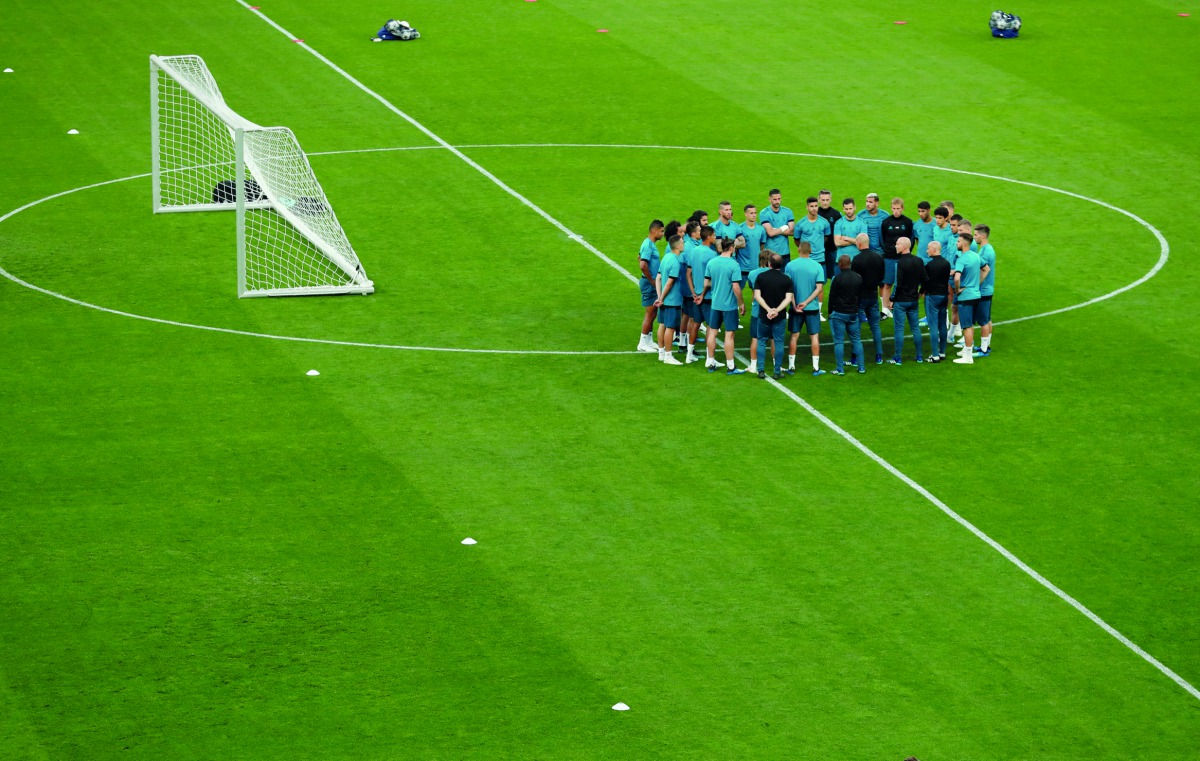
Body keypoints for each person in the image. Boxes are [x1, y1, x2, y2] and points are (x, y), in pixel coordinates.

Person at [701, 238, 747, 375]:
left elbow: (705, 284)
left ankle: (710, 361)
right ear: (732, 248)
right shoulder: (734, 265)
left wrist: (718, 283)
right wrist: (741, 303)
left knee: (712, 333)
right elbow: (736, 287)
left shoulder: (712, 262)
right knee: (729, 335)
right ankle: (731, 366)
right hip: (729, 306)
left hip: (715, 304)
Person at [784, 242, 827, 376]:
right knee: (814, 337)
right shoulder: (817, 266)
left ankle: (791, 367)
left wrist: (796, 303)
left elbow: (788, 287)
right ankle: (815, 368)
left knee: (794, 336)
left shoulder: (790, 266)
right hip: (812, 308)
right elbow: (819, 288)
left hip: (795, 308)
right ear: (811, 250)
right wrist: (807, 302)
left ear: (798, 249)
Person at [753, 254, 795, 379]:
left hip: (763, 315)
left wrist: (768, 310)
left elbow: (757, 296)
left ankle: (760, 369)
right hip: (780, 316)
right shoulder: (786, 279)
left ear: (769, 264)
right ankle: (777, 371)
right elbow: (788, 298)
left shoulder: (761, 277)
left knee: (761, 341)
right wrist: (776, 310)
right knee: (778, 342)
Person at [889, 237, 927, 364]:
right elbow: (925, 280)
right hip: (913, 300)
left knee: (899, 329)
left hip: (901, 301)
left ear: (904, 247)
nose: (895, 246)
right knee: (915, 328)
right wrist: (920, 292)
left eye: (898, 244)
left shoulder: (900, 263)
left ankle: (898, 357)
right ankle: (920, 356)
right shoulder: (919, 260)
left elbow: (898, 284)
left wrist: (892, 299)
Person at [827, 254, 866, 375]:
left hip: (839, 314)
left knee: (839, 341)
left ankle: (840, 369)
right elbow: (860, 296)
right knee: (856, 340)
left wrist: (829, 311)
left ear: (839, 264)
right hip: (853, 313)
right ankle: (861, 367)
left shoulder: (837, 279)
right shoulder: (858, 277)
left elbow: (832, 296)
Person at [850, 233, 885, 365]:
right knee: (875, 326)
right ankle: (879, 356)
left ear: (859, 242)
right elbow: (882, 277)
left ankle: (854, 357)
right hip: (873, 295)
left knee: (856, 328)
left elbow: (854, 280)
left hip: (860, 297)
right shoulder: (878, 257)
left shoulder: (857, 259)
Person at [793, 197, 830, 317]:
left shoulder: (824, 222)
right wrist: (805, 251)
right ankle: (800, 306)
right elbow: (797, 240)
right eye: (811, 206)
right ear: (807, 207)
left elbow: (826, 237)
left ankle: (818, 311)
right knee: (803, 284)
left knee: (820, 286)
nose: (814, 209)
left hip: (820, 259)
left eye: (815, 206)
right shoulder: (801, 224)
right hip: (806, 259)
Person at [686, 226, 718, 363]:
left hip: (696, 295)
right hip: (708, 297)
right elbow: (710, 279)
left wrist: (694, 293)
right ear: (709, 237)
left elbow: (688, 273)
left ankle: (689, 355)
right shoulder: (712, 255)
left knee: (695, 324)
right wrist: (702, 295)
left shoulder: (693, 252)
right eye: (714, 236)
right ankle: (709, 358)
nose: (716, 238)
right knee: (712, 327)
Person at [952, 232, 985, 365]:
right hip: (976, 294)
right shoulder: (976, 256)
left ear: (964, 244)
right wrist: (978, 283)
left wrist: (957, 289)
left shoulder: (962, 258)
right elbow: (986, 268)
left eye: (958, 241)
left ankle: (968, 357)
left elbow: (957, 278)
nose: (957, 243)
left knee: (966, 327)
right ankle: (966, 351)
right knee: (970, 325)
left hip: (965, 297)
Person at [880, 197, 914, 319]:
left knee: (902, 284)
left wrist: (906, 253)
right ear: (891, 208)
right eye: (894, 209)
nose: (896, 211)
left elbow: (911, 239)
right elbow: (882, 239)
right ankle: (885, 310)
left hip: (902, 259)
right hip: (889, 257)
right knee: (887, 284)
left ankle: (897, 307)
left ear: (902, 208)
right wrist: (889, 250)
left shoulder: (908, 222)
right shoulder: (886, 222)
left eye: (898, 209)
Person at [654, 234, 685, 365]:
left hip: (663, 300)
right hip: (672, 300)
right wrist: (662, 298)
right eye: (682, 242)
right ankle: (668, 355)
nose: (684, 244)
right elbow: (669, 283)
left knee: (662, 325)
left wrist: (659, 297)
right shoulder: (675, 262)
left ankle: (661, 353)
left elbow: (658, 278)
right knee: (670, 327)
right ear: (677, 246)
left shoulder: (666, 257)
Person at [637, 220, 665, 353]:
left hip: (650, 282)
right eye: (661, 231)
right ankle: (642, 343)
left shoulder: (647, 243)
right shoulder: (648, 245)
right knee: (649, 313)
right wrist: (652, 280)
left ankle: (648, 340)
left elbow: (639, 257)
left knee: (653, 312)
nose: (662, 234)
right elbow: (642, 264)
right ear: (654, 231)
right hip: (649, 283)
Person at [922, 240, 952, 362]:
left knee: (933, 326)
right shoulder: (947, 263)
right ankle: (942, 352)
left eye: (928, 248)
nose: (927, 251)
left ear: (934, 250)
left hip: (932, 296)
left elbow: (925, 282)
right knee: (942, 325)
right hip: (943, 296)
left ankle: (935, 356)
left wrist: (920, 292)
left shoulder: (929, 265)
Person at [746, 251, 771, 373]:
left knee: (755, 338)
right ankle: (777, 365)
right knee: (774, 339)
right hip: (773, 311)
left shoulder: (752, 274)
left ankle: (753, 365)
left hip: (757, 311)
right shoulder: (776, 274)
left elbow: (753, 291)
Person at [974, 224, 996, 356]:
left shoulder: (985, 252)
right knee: (987, 319)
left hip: (983, 290)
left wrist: (976, 285)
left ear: (982, 236)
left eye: (976, 234)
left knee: (982, 320)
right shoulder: (987, 249)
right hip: (988, 289)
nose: (974, 237)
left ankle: (984, 350)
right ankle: (986, 345)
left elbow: (984, 271)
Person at [760, 189, 795, 263]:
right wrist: (784, 227)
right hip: (770, 254)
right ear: (769, 199)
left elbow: (792, 231)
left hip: (785, 254)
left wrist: (775, 230)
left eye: (779, 199)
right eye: (775, 199)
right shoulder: (764, 213)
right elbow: (770, 233)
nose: (777, 201)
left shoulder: (788, 211)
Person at [816, 190, 842, 281]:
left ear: (830, 200)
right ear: (819, 200)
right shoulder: (815, 213)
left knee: (834, 276)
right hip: (818, 252)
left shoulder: (836, 214)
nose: (825, 202)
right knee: (818, 278)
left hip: (832, 250)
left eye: (827, 200)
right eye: (823, 200)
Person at [739, 203, 768, 285]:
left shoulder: (761, 229)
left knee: (757, 290)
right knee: (738, 290)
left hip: (756, 266)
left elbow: (762, 247)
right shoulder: (740, 229)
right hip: (743, 266)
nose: (754, 215)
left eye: (755, 213)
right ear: (746, 214)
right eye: (751, 213)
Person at [832, 197, 867, 262]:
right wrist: (855, 241)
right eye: (846, 209)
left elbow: (863, 242)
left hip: (857, 260)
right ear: (843, 209)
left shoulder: (862, 223)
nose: (848, 211)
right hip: (841, 260)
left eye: (850, 208)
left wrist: (846, 238)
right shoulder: (838, 223)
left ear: (854, 207)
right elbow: (837, 242)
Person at [860, 192, 888, 259]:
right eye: (866, 201)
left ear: (877, 203)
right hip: (865, 252)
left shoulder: (885, 215)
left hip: (881, 252)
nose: (867, 204)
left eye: (870, 202)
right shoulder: (861, 215)